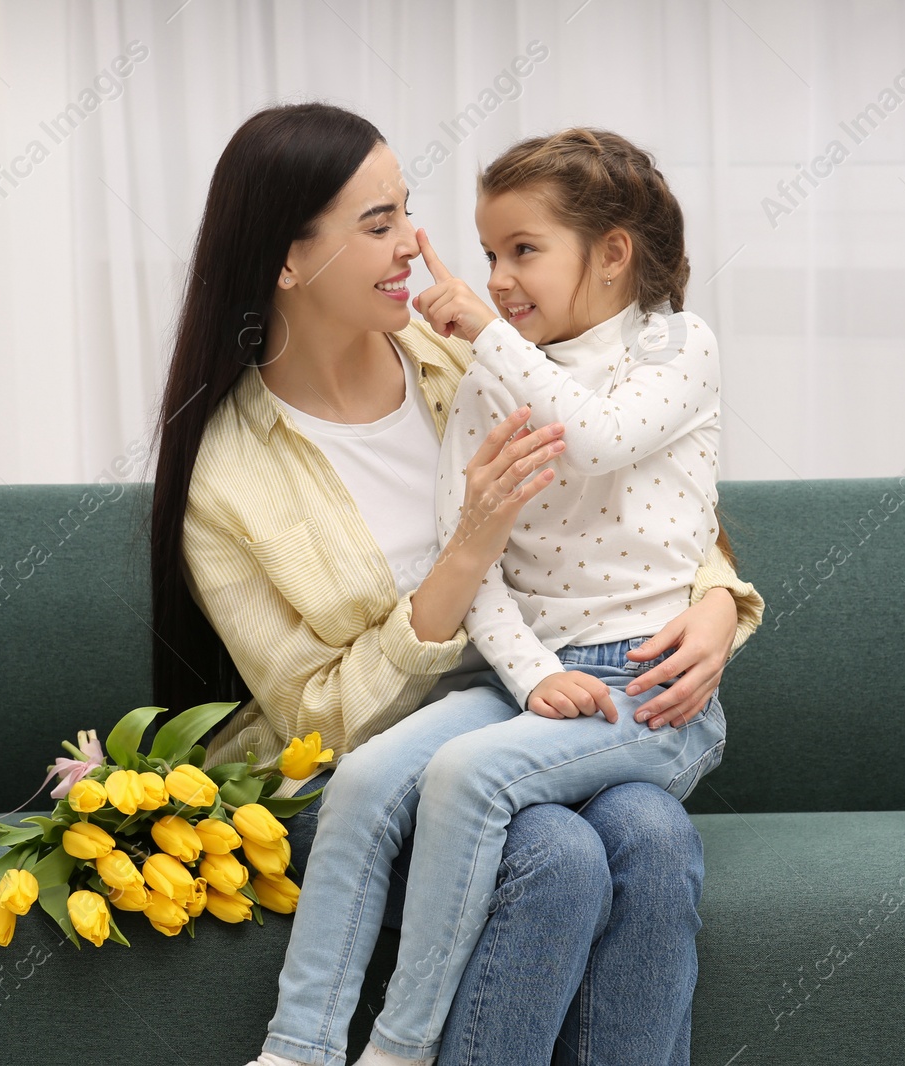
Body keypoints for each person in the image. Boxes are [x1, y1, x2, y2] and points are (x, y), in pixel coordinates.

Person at [147, 102, 763, 1066]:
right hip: (365, 769)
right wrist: (468, 553)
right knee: (557, 859)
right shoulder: (229, 478)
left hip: (534, 705)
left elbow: (632, 496)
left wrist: (718, 599)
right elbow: (328, 725)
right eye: (378, 223)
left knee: (648, 829)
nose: (416, 248)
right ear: (286, 261)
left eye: (406, 210)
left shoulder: (467, 352)